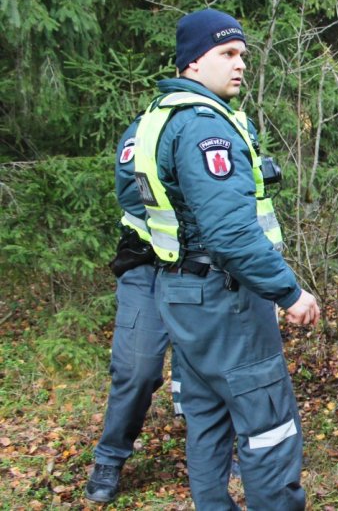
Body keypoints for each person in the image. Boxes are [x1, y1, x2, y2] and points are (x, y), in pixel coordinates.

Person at [132, 8, 319, 510]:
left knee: (207, 419)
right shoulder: (202, 128)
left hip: (181, 293)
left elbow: (135, 204)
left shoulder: (156, 119)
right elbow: (232, 233)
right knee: (268, 426)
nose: (240, 65)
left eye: (242, 55)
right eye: (227, 54)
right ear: (194, 62)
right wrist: (289, 291)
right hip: (227, 300)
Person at [84, 117, 183, 503]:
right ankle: (109, 458)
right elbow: (131, 193)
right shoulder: (147, 128)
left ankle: (217, 452)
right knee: (137, 367)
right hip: (146, 265)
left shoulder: (223, 123)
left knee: (210, 365)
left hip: (203, 269)